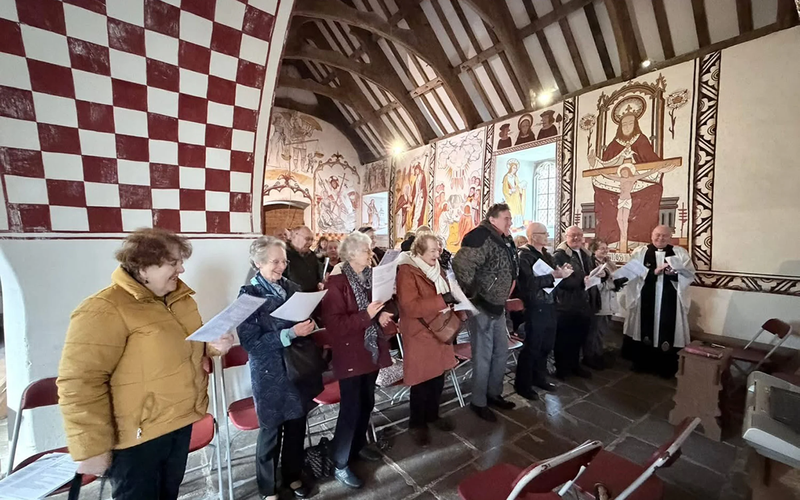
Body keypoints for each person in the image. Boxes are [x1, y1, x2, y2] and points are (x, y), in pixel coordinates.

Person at [56, 228, 234, 500]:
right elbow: (80, 382)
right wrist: (92, 447)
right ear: (143, 267)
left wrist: (213, 347)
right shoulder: (105, 308)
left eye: (180, 261)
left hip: (180, 420)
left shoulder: (181, 300)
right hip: (137, 437)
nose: (182, 269)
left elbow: (187, 345)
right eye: (173, 262)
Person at [237, 237, 318, 500]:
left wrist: (309, 325)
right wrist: (290, 333)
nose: (281, 266)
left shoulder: (292, 287)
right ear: (258, 262)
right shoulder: (249, 296)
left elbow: (303, 320)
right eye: (274, 261)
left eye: (284, 260)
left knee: (296, 425)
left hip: (296, 367)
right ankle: (269, 489)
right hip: (269, 372)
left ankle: (293, 475)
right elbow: (251, 343)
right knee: (271, 431)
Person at [319, 231, 397, 488]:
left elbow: (377, 305)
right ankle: (341, 463)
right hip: (351, 352)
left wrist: (383, 312)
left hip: (370, 349)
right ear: (351, 254)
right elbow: (335, 326)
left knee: (367, 402)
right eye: (366, 250)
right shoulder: (336, 283)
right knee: (350, 410)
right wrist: (367, 315)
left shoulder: (368, 277)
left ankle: (359, 446)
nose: (370, 254)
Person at [452, 203, 519, 422]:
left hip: (498, 305)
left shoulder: (504, 238)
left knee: (500, 351)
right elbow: (461, 265)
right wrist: (476, 293)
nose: (510, 222)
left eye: (510, 218)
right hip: (481, 305)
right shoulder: (480, 236)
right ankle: (478, 402)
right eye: (506, 218)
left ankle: (494, 393)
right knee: (482, 354)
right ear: (493, 219)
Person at [396, 234, 458, 445]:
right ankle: (417, 424)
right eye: (432, 250)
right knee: (422, 381)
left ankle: (433, 415)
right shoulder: (407, 271)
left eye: (438, 249)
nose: (437, 254)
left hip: (439, 328)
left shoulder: (437, 269)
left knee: (438, 376)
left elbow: (445, 291)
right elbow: (410, 306)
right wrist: (443, 300)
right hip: (419, 332)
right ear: (418, 252)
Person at [619, 225, 695, 378]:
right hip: (645, 297)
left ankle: (666, 367)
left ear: (670, 237)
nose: (660, 238)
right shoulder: (640, 252)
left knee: (668, 328)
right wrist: (652, 273)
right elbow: (632, 274)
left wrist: (674, 274)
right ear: (651, 235)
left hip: (670, 297)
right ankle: (642, 363)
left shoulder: (679, 253)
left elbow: (689, 275)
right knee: (643, 327)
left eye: (664, 236)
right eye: (657, 235)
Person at [515, 223, 571, 400]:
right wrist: (553, 276)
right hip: (535, 306)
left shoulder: (546, 254)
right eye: (544, 233)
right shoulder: (524, 256)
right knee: (533, 346)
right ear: (533, 236)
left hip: (550, 304)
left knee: (546, 345)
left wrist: (562, 272)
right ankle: (523, 384)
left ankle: (539, 378)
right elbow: (528, 284)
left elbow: (554, 274)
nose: (548, 235)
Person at [552, 226, 597, 380]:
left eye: (579, 235)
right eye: (573, 235)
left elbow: (590, 272)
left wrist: (599, 275)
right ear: (566, 236)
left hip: (584, 302)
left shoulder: (585, 254)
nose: (577, 238)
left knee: (579, 337)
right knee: (564, 339)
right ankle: (562, 370)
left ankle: (575, 365)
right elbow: (561, 281)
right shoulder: (560, 255)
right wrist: (582, 281)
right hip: (566, 304)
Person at [582, 239, 626, 370]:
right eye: (602, 248)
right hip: (599, 301)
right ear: (594, 250)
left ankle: (598, 354)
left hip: (609, 300)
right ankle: (590, 357)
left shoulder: (609, 263)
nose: (605, 250)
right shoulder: (592, 263)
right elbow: (596, 284)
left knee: (603, 331)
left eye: (606, 248)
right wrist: (612, 283)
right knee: (595, 331)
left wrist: (620, 281)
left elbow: (613, 278)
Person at [284, 226, 323, 292]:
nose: (310, 243)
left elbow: (318, 276)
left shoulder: (311, 255)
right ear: (295, 236)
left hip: (312, 297)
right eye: (307, 239)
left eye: (312, 240)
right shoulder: (283, 255)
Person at [502, 159, 526, 228]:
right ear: (510, 168)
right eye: (514, 168)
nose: (515, 169)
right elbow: (505, 189)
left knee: (518, 209)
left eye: (516, 168)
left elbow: (518, 185)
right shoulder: (506, 177)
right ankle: (512, 225)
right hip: (510, 196)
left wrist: (522, 188)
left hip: (516, 196)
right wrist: (510, 191)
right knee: (512, 209)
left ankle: (519, 224)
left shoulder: (516, 177)